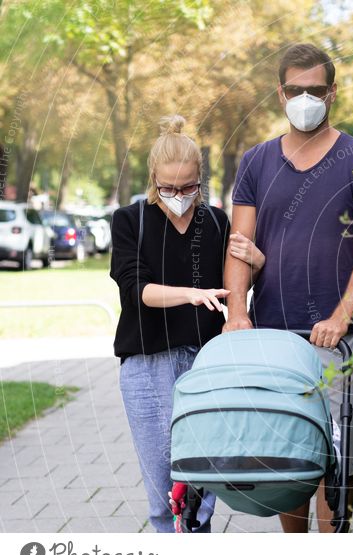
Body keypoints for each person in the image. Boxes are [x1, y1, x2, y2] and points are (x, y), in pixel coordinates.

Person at [223, 43, 353, 532]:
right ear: (280, 93)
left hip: (337, 341)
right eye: (294, 90)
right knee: (284, 464)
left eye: (315, 90)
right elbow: (239, 247)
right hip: (272, 339)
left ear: (332, 93)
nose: (304, 99)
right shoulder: (255, 162)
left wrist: (340, 317)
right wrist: (238, 311)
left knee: (336, 472)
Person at [110, 115, 265, 533]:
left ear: (201, 178)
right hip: (148, 367)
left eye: (188, 187)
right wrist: (189, 293)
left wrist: (258, 265)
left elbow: (236, 286)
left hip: (207, 362)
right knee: (165, 498)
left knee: (201, 493)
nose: (178, 195)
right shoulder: (131, 221)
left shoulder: (214, 222)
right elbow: (135, 290)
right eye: (168, 188)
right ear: (153, 179)